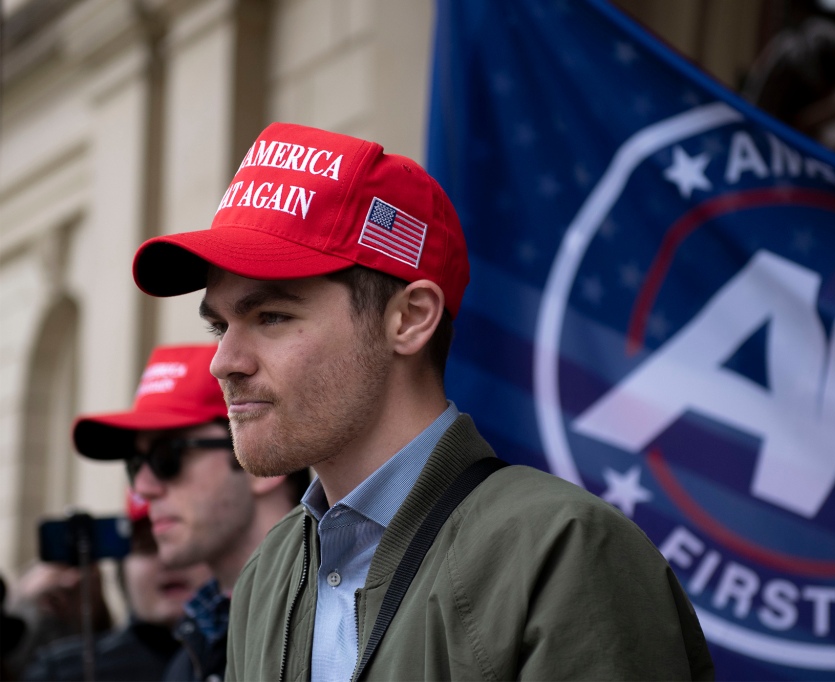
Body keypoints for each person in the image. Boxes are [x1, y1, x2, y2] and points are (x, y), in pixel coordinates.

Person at [131, 122, 715, 681]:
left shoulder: (566, 552)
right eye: (219, 326)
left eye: (272, 316)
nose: (223, 362)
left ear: (409, 319)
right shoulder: (269, 573)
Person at [72, 343, 310, 681]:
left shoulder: (338, 617)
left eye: (166, 457)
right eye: (135, 464)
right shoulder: (193, 648)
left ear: (260, 462)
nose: (142, 487)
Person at [21, 492, 211, 682]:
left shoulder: (238, 657)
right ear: (121, 570)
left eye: (183, 542)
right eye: (146, 545)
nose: (167, 560)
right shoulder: (62, 673)